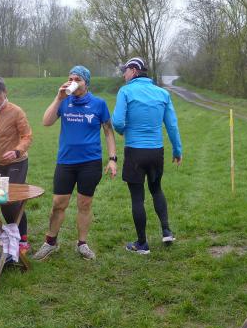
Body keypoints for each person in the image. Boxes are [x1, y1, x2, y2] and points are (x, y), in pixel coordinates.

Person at [33, 66, 117, 261]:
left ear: (86, 82)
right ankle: (50, 242)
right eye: (70, 78)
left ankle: (82, 244)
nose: (73, 82)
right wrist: (58, 98)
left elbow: (108, 132)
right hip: (66, 161)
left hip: (90, 162)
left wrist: (112, 159)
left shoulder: (99, 104)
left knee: (84, 204)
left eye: (77, 79)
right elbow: (46, 122)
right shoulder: (64, 101)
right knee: (58, 203)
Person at [112, 57, 182, 254]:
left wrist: (123, 131)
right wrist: (177, 150)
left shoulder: (125, 91)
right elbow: (172, 125)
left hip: (135, 151)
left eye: (125, 70)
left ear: (134, 70)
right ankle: (166, 231)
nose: (123, 74)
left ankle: (142, 244)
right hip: (156, 152)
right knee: (156, 189)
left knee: (137, 198)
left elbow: (117, 122)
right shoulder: (163, 93)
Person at [0, 77, 33, 253]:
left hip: (17, 161)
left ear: (5, 93)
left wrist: (17, 151)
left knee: (13, 201)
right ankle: (11, 235)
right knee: (2, 200)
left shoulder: (16, 111)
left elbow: (27, 136)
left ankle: (22, 239)